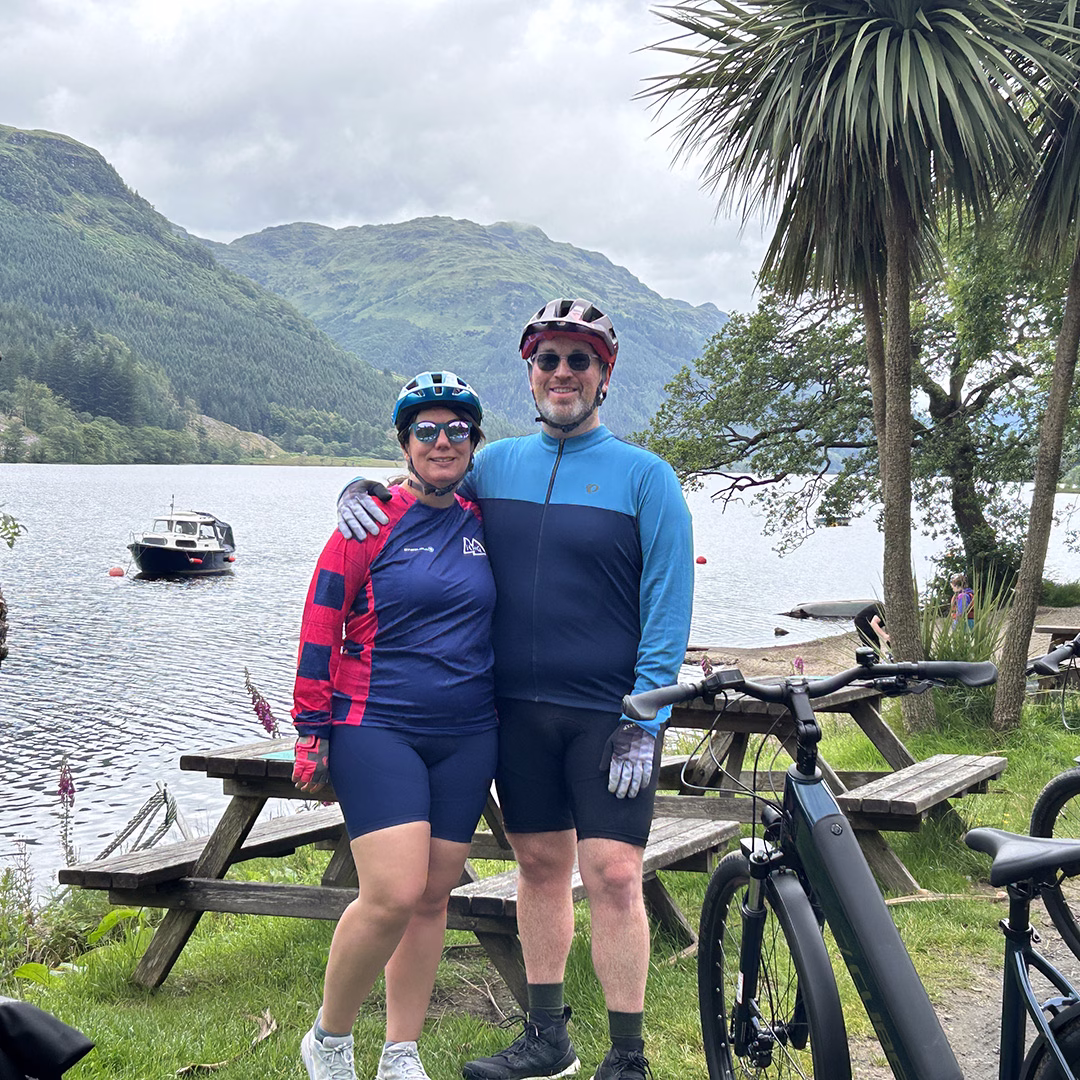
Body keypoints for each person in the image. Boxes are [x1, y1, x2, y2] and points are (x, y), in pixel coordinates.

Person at [337, 299, 694, 1080]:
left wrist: (648, 712)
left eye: (579, 360)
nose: (562, 374)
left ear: (604, 375)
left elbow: (669, 606)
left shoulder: (646, 478)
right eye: (548, 360)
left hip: (613, 712)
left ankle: (628, 1056)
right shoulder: (496, 466)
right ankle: (547, 1038)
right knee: (538, 867)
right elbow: (428, 477)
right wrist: (361, 488)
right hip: (515, 712)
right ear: (530, 374)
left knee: (614, 873)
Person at [294, 371, 498, 1080]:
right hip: (376, 724)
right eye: (427, 431)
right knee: (391, 894)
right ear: (404, 443)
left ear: (474, 441)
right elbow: (320, 622)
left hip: (469, 732)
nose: (443, 443)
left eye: (457, 430)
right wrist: (309, 728)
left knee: (435, 893)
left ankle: (401, 1051)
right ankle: (330, 1039)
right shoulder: (369, 522)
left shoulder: (484, 514)